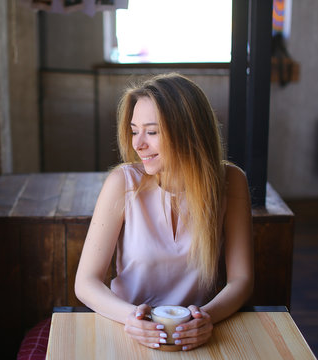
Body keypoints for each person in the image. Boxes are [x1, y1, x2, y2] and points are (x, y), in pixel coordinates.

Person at [74, 73, 253, 351]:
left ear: (189, 131)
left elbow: (241, 279)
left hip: (197, 337)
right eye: (135, 130)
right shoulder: (123, 182)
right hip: (127, 331)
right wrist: (130, 319)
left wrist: (207, 318)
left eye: (152, 131)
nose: (137, 144)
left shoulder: (231, 182)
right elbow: (85, 282)